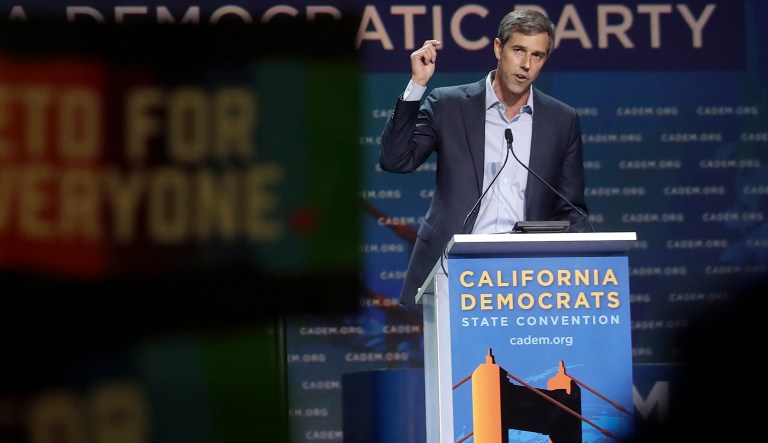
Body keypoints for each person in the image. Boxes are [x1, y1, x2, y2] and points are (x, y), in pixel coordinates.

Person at [379, 9, 590, 309]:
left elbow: (571, 210)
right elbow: (395, 160)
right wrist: (417, 86)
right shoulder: (448, 105)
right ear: (498, 48)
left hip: (526, 279)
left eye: (537, 55)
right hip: (452, 271)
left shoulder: (561, 119)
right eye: (518, 50)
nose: (526, 65)